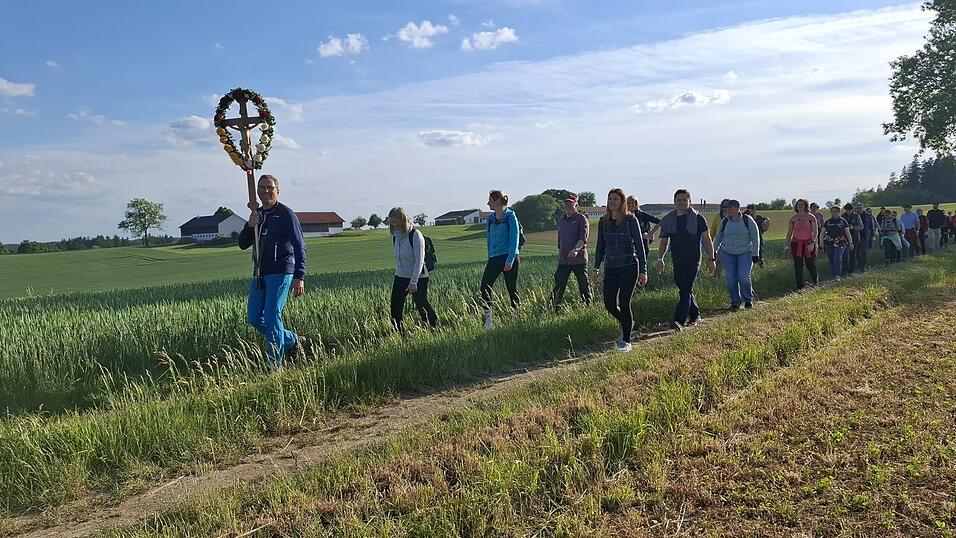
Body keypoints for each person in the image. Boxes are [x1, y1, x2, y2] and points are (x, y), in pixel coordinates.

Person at [238, 174, 307, 367]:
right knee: (253, 317)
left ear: (278, 190)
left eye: (269, 187)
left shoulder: (286, 214)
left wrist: (299, 276)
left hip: (281, 271)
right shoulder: (257, 214)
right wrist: (249, 225)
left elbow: (299, 245)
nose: (265, 191)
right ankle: (292, 340)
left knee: (271, 316)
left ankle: (273, 365)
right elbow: (243, 243)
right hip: (259, 272)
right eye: (261, 188)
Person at [593, 189, 648, 352]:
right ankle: (627, 323)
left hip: (629, 266)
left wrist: (643, 270)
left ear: (622, 201)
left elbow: (639, 246)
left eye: (616, 199)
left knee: (624, 303)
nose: (612, 202)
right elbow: (599, 247)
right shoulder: (603, 221)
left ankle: (626, 340)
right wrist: (596, 268)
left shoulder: (631, 220)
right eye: (610, 199)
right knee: (609, 304)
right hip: (610, 267)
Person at [656, 189, 717, 331]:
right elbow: (664, 242)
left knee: (685, 289)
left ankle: (679, 320)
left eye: (685, 200)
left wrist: (711, 258)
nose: (682, 202)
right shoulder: (670, 220)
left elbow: (707, 240)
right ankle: (695, 314)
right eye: (679, 200)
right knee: (684, 289)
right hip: (677, 259)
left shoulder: (698, 218)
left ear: (690, 201)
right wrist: (660, 259)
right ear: (675, 202)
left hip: (693, 259)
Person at [388, 207, 438, 336]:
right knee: (395, 307)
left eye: (396, 222)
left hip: (419, 277)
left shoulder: (415, 235)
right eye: (392, 222)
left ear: (403, 219)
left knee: (421, 304)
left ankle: (433, 328)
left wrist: (413, 282)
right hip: (400, 276)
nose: (394, 225)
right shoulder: (395, 236)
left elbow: (419, 261)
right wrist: (400, 274)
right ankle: (399, 334)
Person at [480, 190, 521, 330]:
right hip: (494, 257)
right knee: (485, 286)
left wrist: (510, 260)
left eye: (490, 200)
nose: (488, 203)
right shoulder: (490, 219)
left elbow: (514, 239)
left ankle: (516, 315)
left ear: (498, 201)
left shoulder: (511, 216)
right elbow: (489, 239)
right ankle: (488, 320)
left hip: (509, 257)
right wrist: (490, 255)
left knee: (511, 287)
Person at [712, 199, 760, 310]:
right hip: (728, 253)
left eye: (730, 207)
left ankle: (748, 299)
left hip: (745, 253)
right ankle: (735, 302)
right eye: (727, 208)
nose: (728, 209)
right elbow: (718, 237)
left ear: (738, 208)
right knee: (731, 278)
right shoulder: (725, 221)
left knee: (743, 276)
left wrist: (755, 253)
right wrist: (713, 251)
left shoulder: (747, 220)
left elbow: (755, 237)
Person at [552, 194, 592, 311]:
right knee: (559, 284)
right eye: (566, 203)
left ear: (576, 205)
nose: (568, 205)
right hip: (564, 259)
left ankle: (587, 307)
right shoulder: (561, 220)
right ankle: (552, 308)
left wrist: (575, 250)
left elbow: (583, 238)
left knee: (583, 285)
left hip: (578, 258)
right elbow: (560, 239)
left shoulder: (581, 219)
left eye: (571, 203)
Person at [785, 199, 819, 290]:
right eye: (798, 204)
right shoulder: (793, 218)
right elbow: (789, 233)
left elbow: (815, 232)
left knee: (810, 264)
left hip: (808, 243)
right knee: (798, 265)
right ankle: (800, 286)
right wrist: (788, 246)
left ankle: (815, 282)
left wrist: (812, 243)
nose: (800, 206)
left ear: (805, 206)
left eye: (802, 204)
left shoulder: (811, 217)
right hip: (796, 244)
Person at [822, 206, 853, 281]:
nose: (834, 213)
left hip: (841, 242)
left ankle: (837, 275)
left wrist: (851, 243)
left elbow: (848, 233)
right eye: (832, 211)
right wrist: (821, 243)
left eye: (835, 211)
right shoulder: (828, 222)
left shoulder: (843, 221)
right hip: (829, 243)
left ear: (839, 212)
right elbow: (822, 233)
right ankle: (835, 274)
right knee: (831, 259)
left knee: (837, 258)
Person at [627, 195, 661, 259]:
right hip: (628, 246)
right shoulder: (624, 216)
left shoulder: (642, 215)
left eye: (632, 202)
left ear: (636, 203)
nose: (630, 205)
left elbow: (660, 222)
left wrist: (651, 233)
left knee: (641, 265)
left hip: (642, 245)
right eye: (628, 203)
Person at [840, 203, 863, 276]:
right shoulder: (842, 217)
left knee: (853, 253)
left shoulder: (856, 216)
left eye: (850, 210)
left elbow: (861, 226)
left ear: (852, 209)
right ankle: (845, 270)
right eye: (847, 210)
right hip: (846, 237)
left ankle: (851, 270)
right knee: (845, 254)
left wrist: (854, 227)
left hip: (855, 236)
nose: (848, 211)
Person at [710, 202, 730, 277]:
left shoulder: (733, 217)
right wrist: (710, 242)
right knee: (718, 261)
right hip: (719, 243)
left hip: (730, 243)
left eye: (727, 206)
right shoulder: (717, 217)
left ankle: (728, 277)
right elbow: (712, 231)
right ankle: (716, 276)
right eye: (724, 206)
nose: (725, 208)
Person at [854, 204, 871, 273]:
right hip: (856, 235)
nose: (859, 209)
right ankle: (861, 264)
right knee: (857, 252)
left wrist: (872, 236)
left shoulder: (867, 216)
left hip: (865, 235)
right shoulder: (854, 216)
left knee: (864, 251)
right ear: (855, 209)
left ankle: (863, 267)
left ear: (863, 208)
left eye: (860, 208)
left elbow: (871, 226)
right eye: (858, 208)